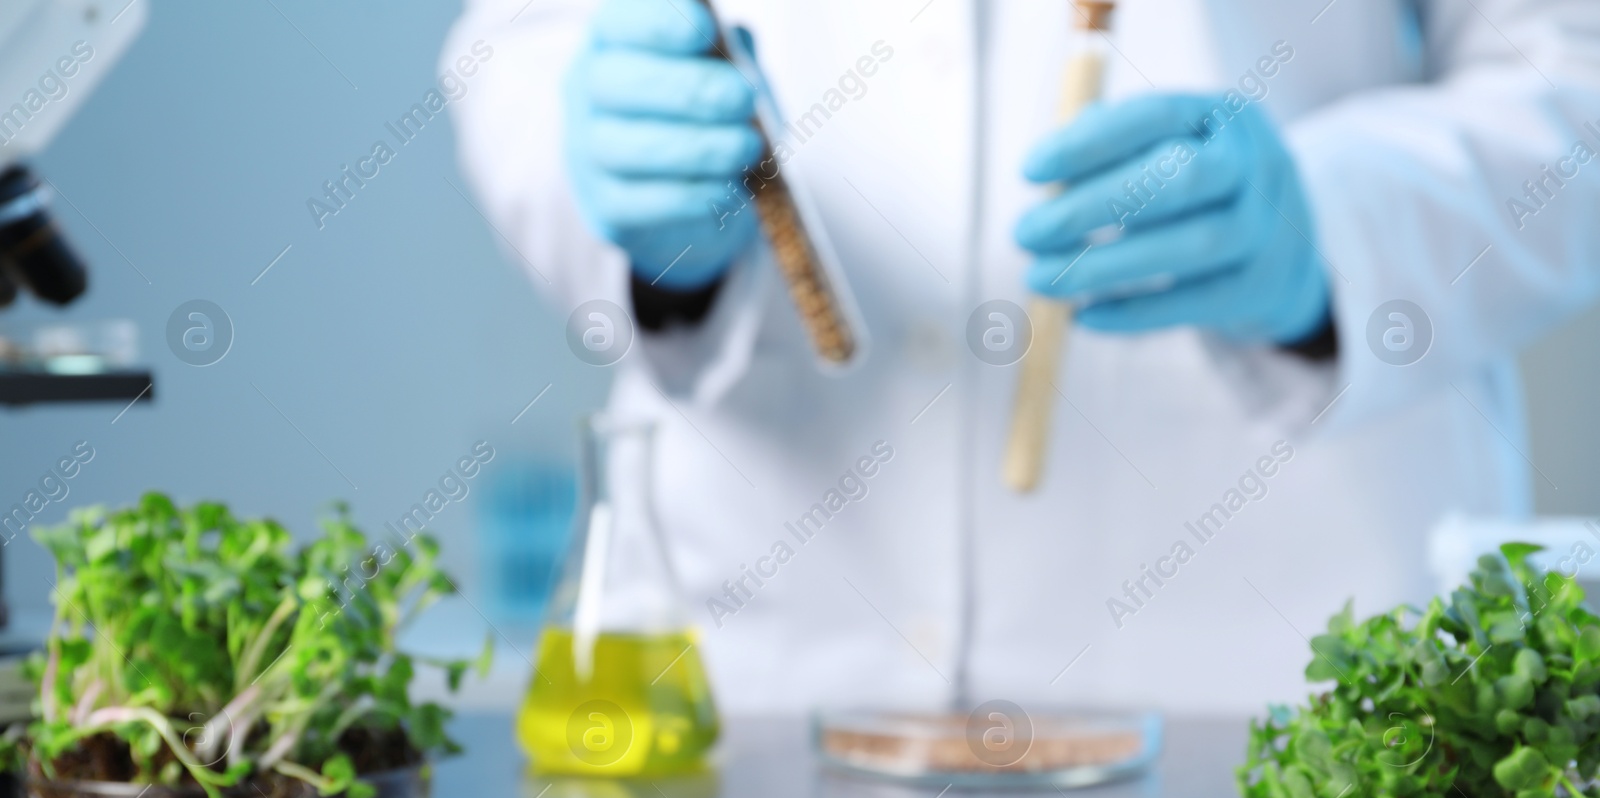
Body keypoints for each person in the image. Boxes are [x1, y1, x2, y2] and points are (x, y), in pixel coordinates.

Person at [444, 0, 1600, 714]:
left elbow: (1571, 69)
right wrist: (633, 200)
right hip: (778, 643)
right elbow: (530, 36)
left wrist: (1336, 228)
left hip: (1269, 635)